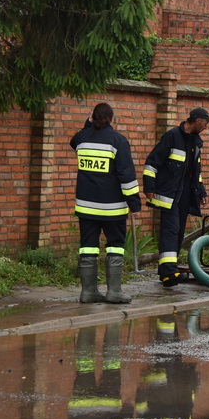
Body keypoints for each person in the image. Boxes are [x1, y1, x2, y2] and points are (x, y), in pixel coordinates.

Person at [70, 102, 141, 304]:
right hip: (112, 208)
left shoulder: (81, 139)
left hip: (85, 206)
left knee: (88, 247)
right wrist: (134, 204)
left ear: (92, 117)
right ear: (112, 119)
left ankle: (88, 292)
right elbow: (126, 176)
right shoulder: (118, 141)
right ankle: (114, 292)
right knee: (115, 246)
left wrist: (88, 125)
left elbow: (75, 139)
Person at [143, 107, 209, 287]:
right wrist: (149, 187)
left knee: (178, 232)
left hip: (185, 197)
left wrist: (201, 191)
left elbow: (196, 173)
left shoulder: (195, 143)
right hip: (169, 195)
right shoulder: (172, 136)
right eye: (205, 123)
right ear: (197, 121)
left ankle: (169, 269)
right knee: (171, 230)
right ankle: (169, 273)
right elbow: (152, 162)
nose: (206, 127)